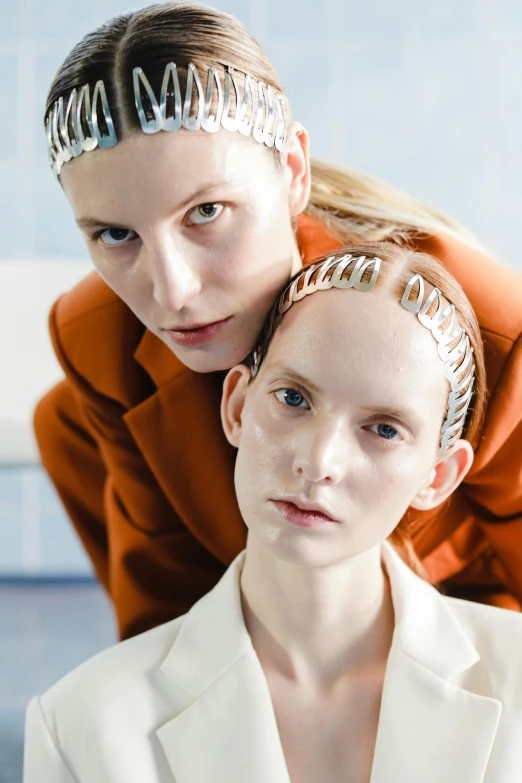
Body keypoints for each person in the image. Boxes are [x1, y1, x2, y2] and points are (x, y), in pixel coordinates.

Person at [35, 1, 522, 641]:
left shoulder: (491, 338)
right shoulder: (100, 340)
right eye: (116, 234)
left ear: (292, 173)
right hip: (259, 624)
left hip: (463, 628)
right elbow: (167, 626)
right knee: (62, 416)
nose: (173, 290)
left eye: (207, 212)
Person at [24, 245, 522, 782]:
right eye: (293, 398)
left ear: (438, 476)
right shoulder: (81, 724)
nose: (318, 461)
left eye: (383, 429)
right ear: (237, 406)